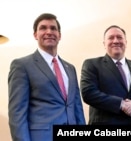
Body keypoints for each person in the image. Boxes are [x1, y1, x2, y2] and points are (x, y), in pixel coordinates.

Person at [8, 13, 86, 141]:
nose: (49, 32)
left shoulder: (70, 68)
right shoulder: (22, 65)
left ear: (59, 35)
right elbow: (17, 114)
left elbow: (77, 107)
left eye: (53, 28)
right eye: (43, 28)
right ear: (35, 35)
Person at [80, 25, 131, 125]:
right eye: (111, 38)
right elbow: (88, 93)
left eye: (119, 37)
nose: (116, 41)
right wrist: (121, 104)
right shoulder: (92, 64)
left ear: (126, 42)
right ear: (104, 43)